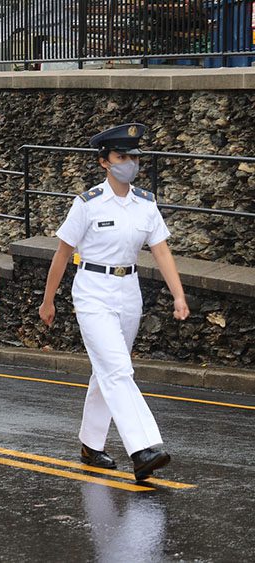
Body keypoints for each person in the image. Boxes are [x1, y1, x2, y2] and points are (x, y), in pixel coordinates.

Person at [38, 123, 188, 482]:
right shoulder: (87, 203)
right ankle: (145, 448)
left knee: (107, 370)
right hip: (92, 289)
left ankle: (91, 444)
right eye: (122, 157)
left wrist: (179, 295)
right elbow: (62, 254)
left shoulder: (146, 204)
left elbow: (162, 252)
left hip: (129, 290)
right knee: (119, 370)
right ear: (104, 161)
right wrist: (49, 300)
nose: (130, 163)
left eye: (134, 157)